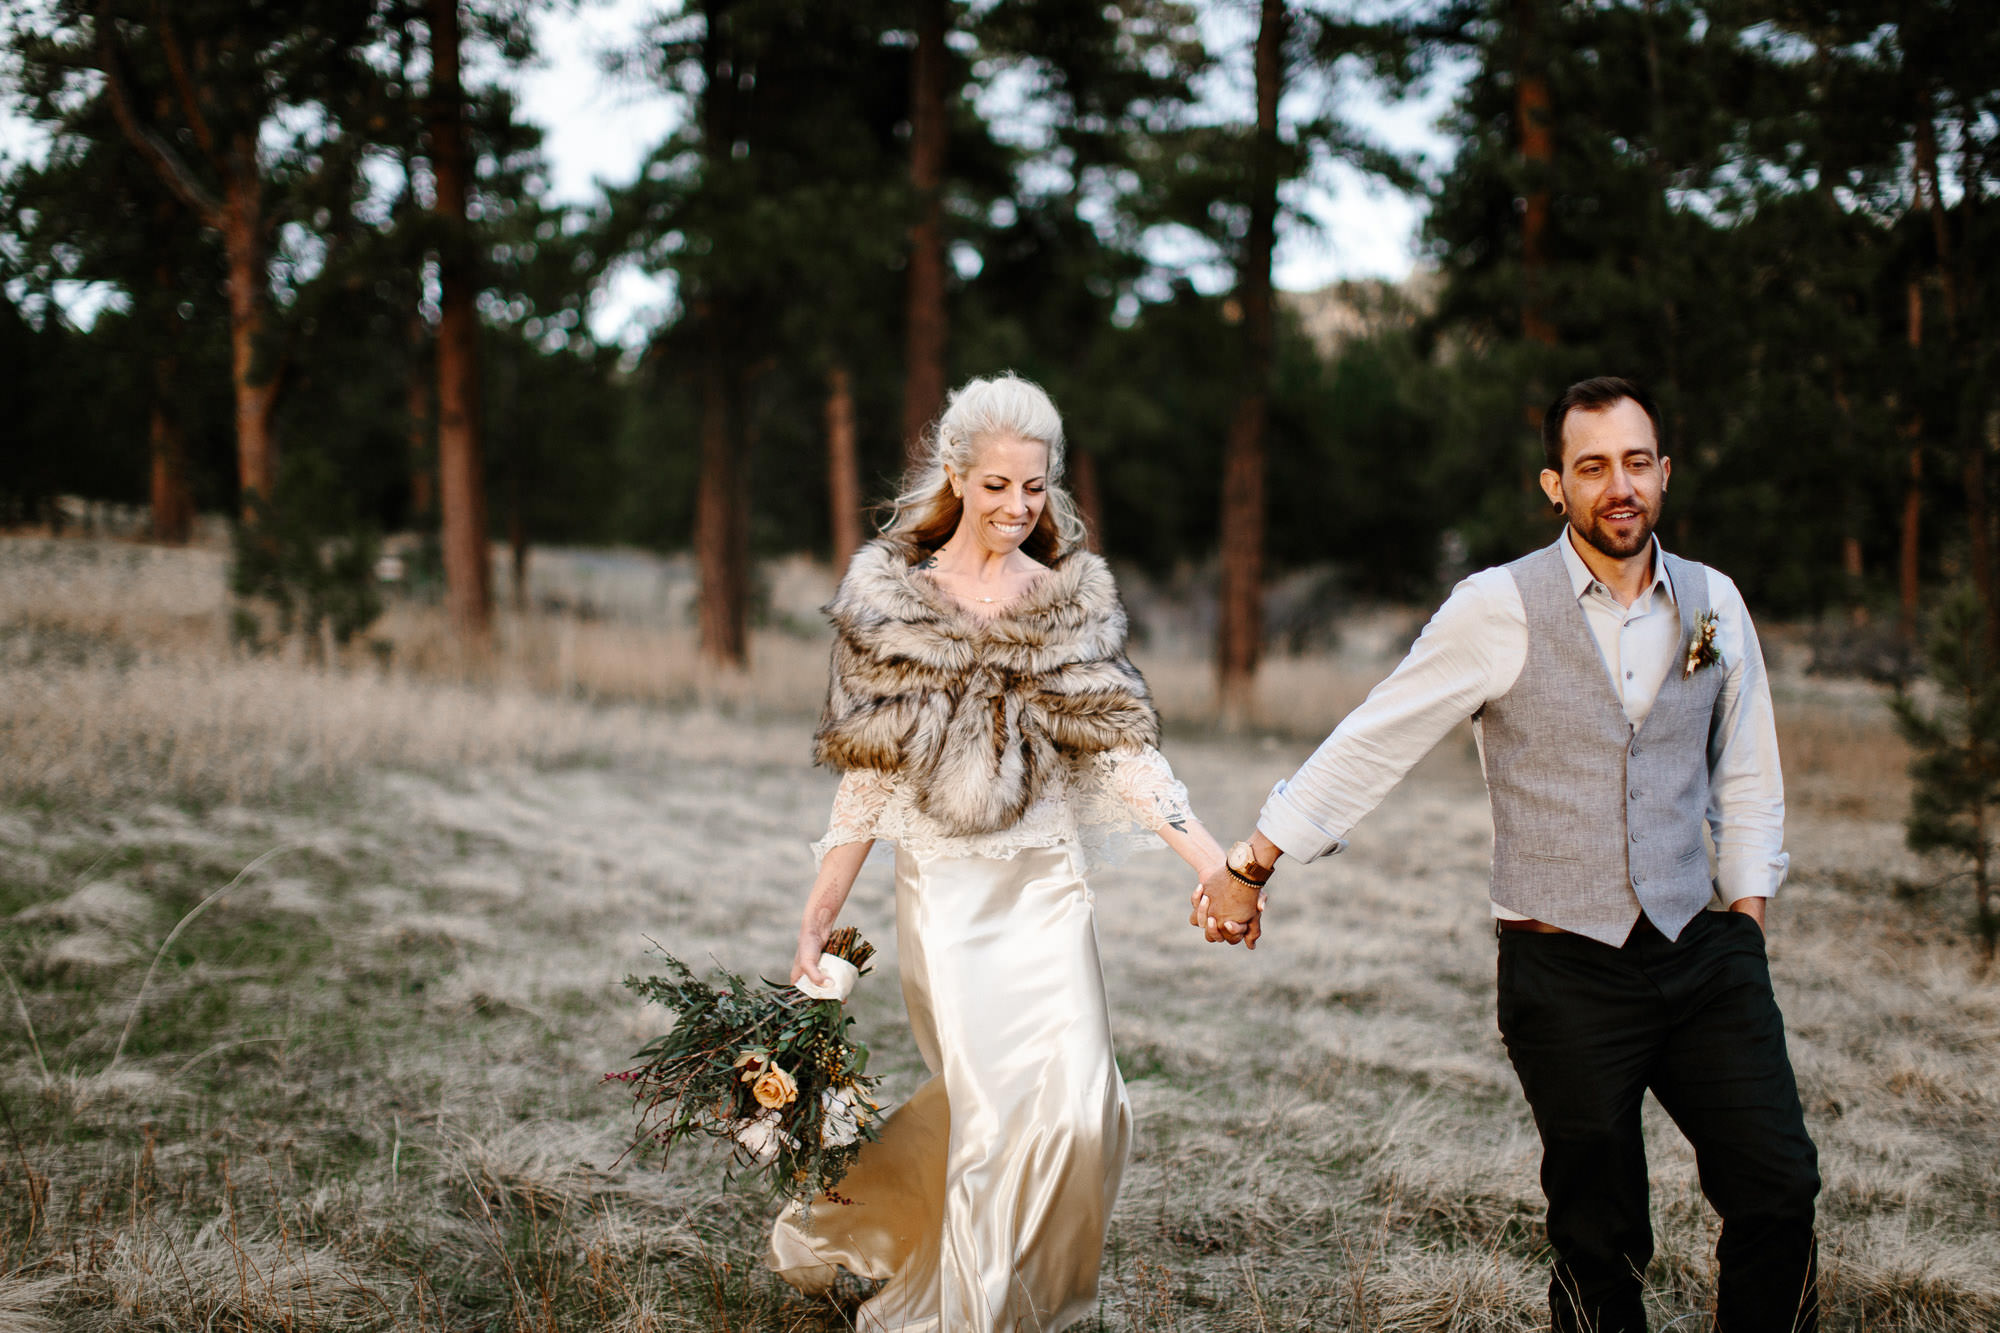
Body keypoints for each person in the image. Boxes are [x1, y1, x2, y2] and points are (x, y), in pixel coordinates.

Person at [1196, 377, 1821, 1333]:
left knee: (1778, 1186)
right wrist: (1252, 863)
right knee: (1599, 1235)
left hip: (1704, 952)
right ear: (1554, 484)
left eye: (1638, 462)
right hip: (1562, 965)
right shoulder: (1498, 607)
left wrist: (1746, 919)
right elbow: (1376, 736)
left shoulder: (1715, 602)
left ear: (1665, 471)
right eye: (1593, 466)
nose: (1621, 485)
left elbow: (1746, 772)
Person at [768, 373, 1230, 1332]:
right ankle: (975, 1316)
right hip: (946, 893)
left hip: (1046, 885)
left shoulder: (1069, 604)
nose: (1019, 508)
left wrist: (1215, 863)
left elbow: (1125, 754)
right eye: (997, 487)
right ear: (956, 475)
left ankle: (1036, 1301)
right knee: (991, 1121)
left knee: (1084, 1113)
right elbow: (868, 775)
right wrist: (821, 907)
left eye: (1036, 486)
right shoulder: (893, 605)